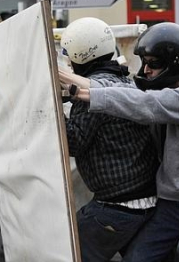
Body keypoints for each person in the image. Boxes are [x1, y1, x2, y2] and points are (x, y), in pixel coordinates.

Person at [60, 22, 179, 261]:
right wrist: (66, 80)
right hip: (169, 203)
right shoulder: (157, 87)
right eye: (144, 62)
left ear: (176, 63)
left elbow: (144, 104)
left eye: (153, 64)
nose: (145, 70)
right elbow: (121, 93)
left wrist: (71, 87)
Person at [57, 18, 159, 261]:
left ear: (80, 54)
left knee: (67, 252)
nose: (68, 63)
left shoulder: (93, 93)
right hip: (146, 199)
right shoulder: (126, 80)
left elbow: (71, 143)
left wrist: (53, 109)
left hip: (117, 206)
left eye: (69, 56)